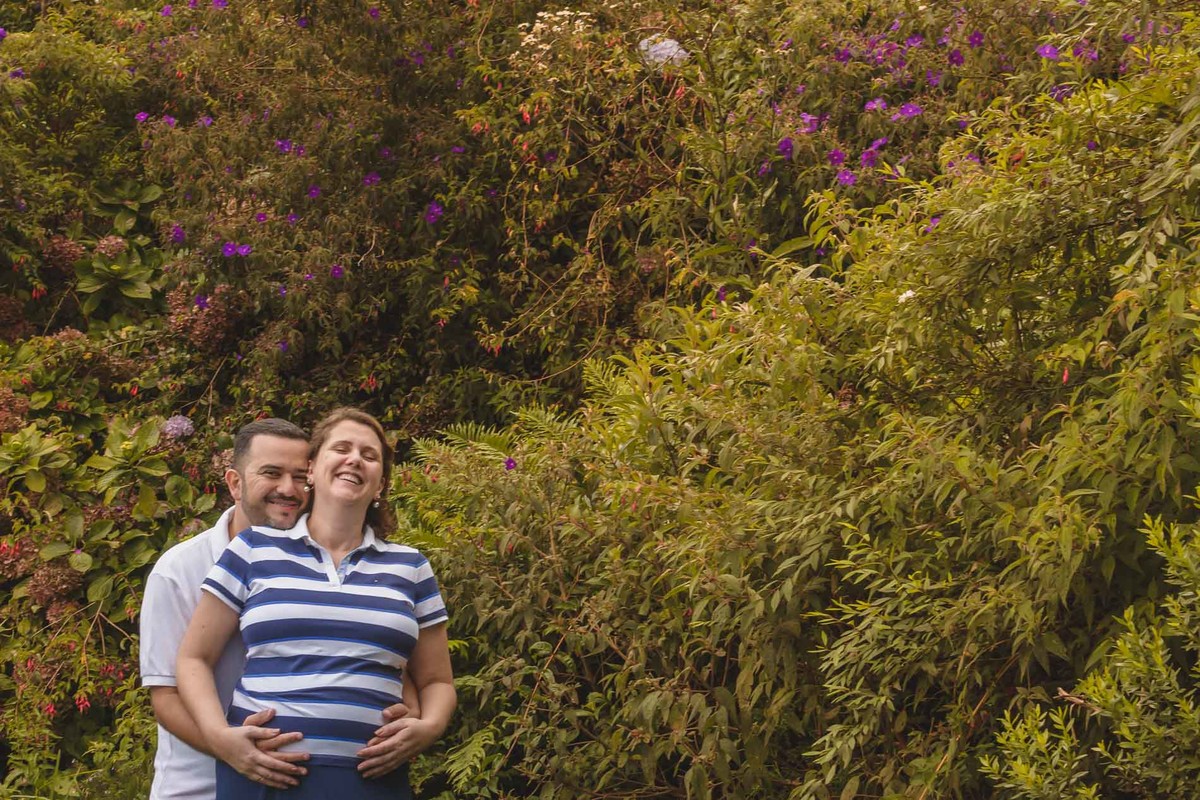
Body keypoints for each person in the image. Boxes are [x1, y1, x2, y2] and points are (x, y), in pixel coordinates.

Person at [177, 407, 455, 799]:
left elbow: (437, 682)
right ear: (311, 469)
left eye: (369, 455)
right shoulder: (253, 549)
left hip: (372, 781)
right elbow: (193, 659)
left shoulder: (411, 567)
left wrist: (428, 728)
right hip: (264, 776)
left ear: (380, 485)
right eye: (341, 448)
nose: (354, 458)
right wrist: (219, 737)